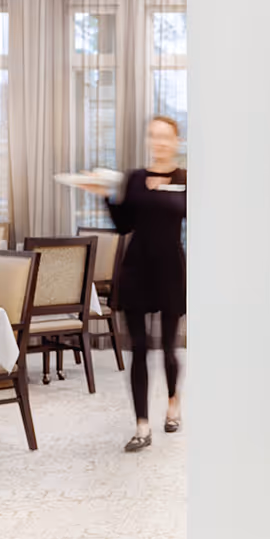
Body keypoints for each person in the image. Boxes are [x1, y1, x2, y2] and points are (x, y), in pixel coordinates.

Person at [81, 115, 186, 452]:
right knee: (138, 349)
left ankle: (173, 402)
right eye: (153, 136)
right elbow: (123, 225)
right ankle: (142, 425)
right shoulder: (135, 178)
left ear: (176, 141)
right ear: (148, 140)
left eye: (165, 137)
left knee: (168, 348)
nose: (159, 142)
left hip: (170, 270)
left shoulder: (186, 179)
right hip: (137, 270)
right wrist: (104, 196)